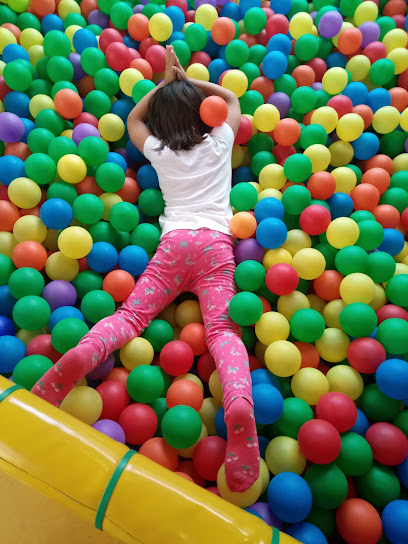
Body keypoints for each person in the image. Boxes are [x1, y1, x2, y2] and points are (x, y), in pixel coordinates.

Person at [31, 46, 260, 493]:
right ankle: (237, 401)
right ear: (203, 113)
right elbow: (232, 101)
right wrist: (188, 82)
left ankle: (83, 353)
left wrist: (162, 85)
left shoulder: (160, 150)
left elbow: (136, 120)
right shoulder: (220, 142)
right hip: (214, 246)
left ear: (162, 122)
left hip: (175, 245)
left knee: (131, 317)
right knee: (222, 331)